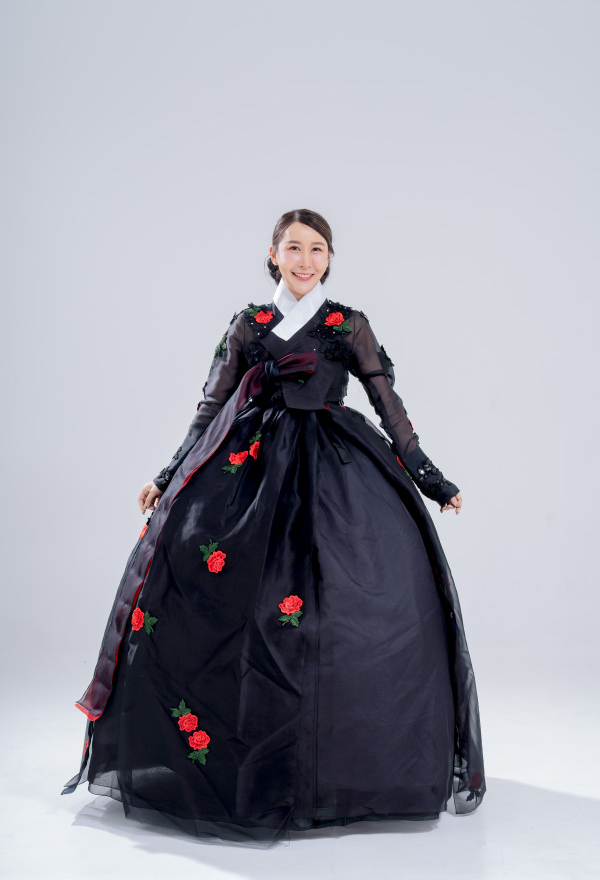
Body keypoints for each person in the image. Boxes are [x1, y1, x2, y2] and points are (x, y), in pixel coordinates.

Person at [61, 208, 486, 847]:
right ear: (273, 254)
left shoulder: (348, 324)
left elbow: (388, 406)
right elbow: (211, 405)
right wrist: (170, 474)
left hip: (340, 473)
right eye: (294, 248)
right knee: (243, 612)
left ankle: (338, 774)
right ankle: (247, 767)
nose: (305, 260)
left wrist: (429, 477)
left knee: (350, 610)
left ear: (330, 258)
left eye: (317, 249)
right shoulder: (249, 324)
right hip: (251, 474)